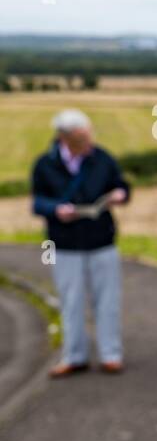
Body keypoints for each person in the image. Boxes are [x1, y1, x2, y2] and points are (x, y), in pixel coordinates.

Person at [30, 110, 130, 377]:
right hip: (63, 244)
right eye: (81, 137)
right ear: (64, 138)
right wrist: (56, 210)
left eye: (88, 135)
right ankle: (74, 355)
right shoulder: (44, 165)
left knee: (107, 300)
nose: (88, 142)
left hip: (101, 239)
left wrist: (120, 194)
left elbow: (121, 185)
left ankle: (111, 354)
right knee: (70, 301)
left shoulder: (102, 158)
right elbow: (37, 202)